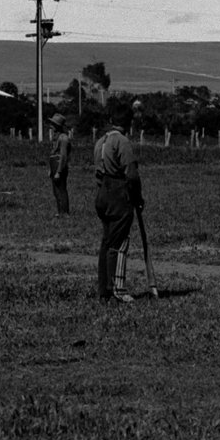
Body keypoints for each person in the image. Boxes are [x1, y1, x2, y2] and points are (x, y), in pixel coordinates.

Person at [92, 114, 143, 302]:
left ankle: (104, 290)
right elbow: (131, 174)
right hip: (117, 195)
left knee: (106, 242)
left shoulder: (100, 142)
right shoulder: (122, 141)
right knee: (119, 243)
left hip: (102, 194)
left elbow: (98, 172)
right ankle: (117, 289)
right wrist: (137, 196)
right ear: (127, 124)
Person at [47, 114, 72, 213]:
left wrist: (59, 171)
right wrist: (50, 169)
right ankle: (60, 210)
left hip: (58, 165)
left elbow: (63, 156)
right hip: (54, 165)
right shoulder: (56, 137)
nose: (51, 126)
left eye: (53, 124)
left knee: (61, 190)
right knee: (56, 191)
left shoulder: (63, 138)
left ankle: (64, 211)